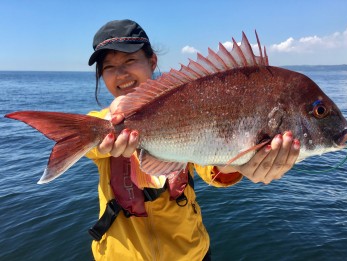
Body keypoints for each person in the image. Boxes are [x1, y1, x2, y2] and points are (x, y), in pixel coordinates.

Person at [86, 19, 300, 261]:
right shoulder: (99, 121)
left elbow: (212, 169)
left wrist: (240, 164)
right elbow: (92, 146)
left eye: (130, 60)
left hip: (190, 254)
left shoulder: (184, 106)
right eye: (108, 67)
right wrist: (112, 120)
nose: (121, 73)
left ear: (152, 61)